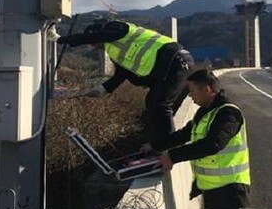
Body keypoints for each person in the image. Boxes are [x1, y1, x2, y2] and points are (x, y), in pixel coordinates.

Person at [48, 19, 194, 142]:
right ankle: (158, 145)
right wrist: (101, 90)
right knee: (152, 103)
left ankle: (167, 147)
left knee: (160, 103)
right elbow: (120, 75)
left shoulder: (119, 28)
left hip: (175, 61)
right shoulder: (115, 50)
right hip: (166, 66)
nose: (93, 45)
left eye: (93, 41)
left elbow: (98, 37)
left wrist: (59, 39)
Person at [145, 69, 250, 209]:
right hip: (214, 189)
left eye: (192, 91)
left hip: (229, 189)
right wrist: (155, 146)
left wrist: (173, 156)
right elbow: (184, 134)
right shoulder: (205, 112)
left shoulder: (228, 113)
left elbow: (212, 144)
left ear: (207, 89)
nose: (190, 96)